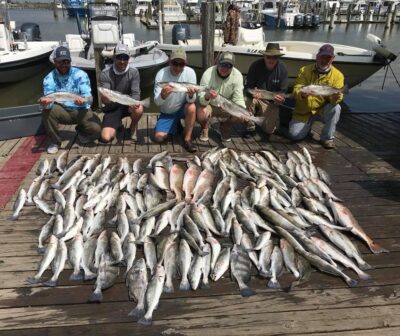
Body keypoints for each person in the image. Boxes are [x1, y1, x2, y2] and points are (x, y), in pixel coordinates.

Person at [39, 46, 101, 154]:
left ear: (70, 61)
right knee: (47, 111)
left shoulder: (81, 74)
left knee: (97, 128)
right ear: (54, 62)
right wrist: (45, 103)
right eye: (60, 62)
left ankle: (81, 131)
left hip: (80, 109)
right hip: (62, 110)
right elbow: (49, 101)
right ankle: (55, 142)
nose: (63, 64)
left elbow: (88, 96)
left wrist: (84, 100)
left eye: (66, 61)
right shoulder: (49, 78)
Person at [289, 44, 344, 149]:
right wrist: (302, 94)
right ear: (317, 56)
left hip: (321, 110)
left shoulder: (338, 75)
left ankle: (327, 138)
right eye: (323, 56)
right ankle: (307, 126)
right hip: (304, 111)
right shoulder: (304, 70)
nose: (325, 60)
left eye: (328, 57)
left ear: (333, 58)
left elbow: (335, 99)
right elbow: (297, 88)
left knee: (336, 108)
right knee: (295, 136)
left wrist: (336, 98)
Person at [153, 47, 198, 153]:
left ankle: (187, 139)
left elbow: (192, 100)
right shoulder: (161, 74)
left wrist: (191, 95)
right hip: (167, 112)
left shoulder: (190, 73)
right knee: (159, 137)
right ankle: (176, 124)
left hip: (183, 108)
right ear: (170, 62)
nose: (178, 67)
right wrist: (163, 96)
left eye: (181, 64)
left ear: (185, 63)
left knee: (191, 107)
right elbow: (156, 102)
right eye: (175, 63)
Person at [197, 51, 246, 142]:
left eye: (229, 66)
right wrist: (207, 96)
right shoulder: (208, 73)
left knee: (240, 114)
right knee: (201, 113)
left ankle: (225, 127)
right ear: (217, 63)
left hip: (227, 106)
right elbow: (201, 99)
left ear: (233, 67)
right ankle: (204, 128)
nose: (225, 68)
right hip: (210, 105)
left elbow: (238, 98)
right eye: (223, 64)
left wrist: (243, 110)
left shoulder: (238, 75)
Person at [99, 43, 144, 143]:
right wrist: (105, 99)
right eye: (119, 57)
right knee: (106, 138)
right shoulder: (105, 73)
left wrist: (134, 103)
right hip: (112, 107)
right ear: (114, 58)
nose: (122, 61)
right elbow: (106, 100)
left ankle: (132, 128)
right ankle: (117, 122)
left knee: (139, 108)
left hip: (128, 105)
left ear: (129, 59)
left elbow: (136, 93)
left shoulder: (134, 72)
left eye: (125, 58)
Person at [245, 42, 288, 136]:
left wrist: (280, 100)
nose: (271, 59)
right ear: (264, 56)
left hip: (271, 102)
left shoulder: (283, 69)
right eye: (268, 57)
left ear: (278, 58)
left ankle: (260, 116)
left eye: (275, 57)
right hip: (256, 98)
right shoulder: (255, 66)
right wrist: (252, 94)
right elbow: (247, 88)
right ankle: (250, 126)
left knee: (269, 130)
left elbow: (283, 91)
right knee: (247, 100)